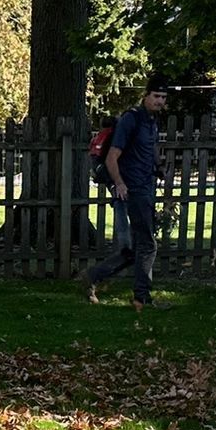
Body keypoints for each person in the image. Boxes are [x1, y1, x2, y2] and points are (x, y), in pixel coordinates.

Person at [85, 81, 168, 309]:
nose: (160, 101)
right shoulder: (130, 119)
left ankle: (93, 276)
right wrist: (120, 184)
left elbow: (149, 149)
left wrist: (158, 167)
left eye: (163, 97)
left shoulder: (150, 121)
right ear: (146, 96)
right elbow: (112, 157)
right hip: (130, 190)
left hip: (145, 187)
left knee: (135, 247)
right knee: (147, 244)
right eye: (156, 96)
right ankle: (142, 298)